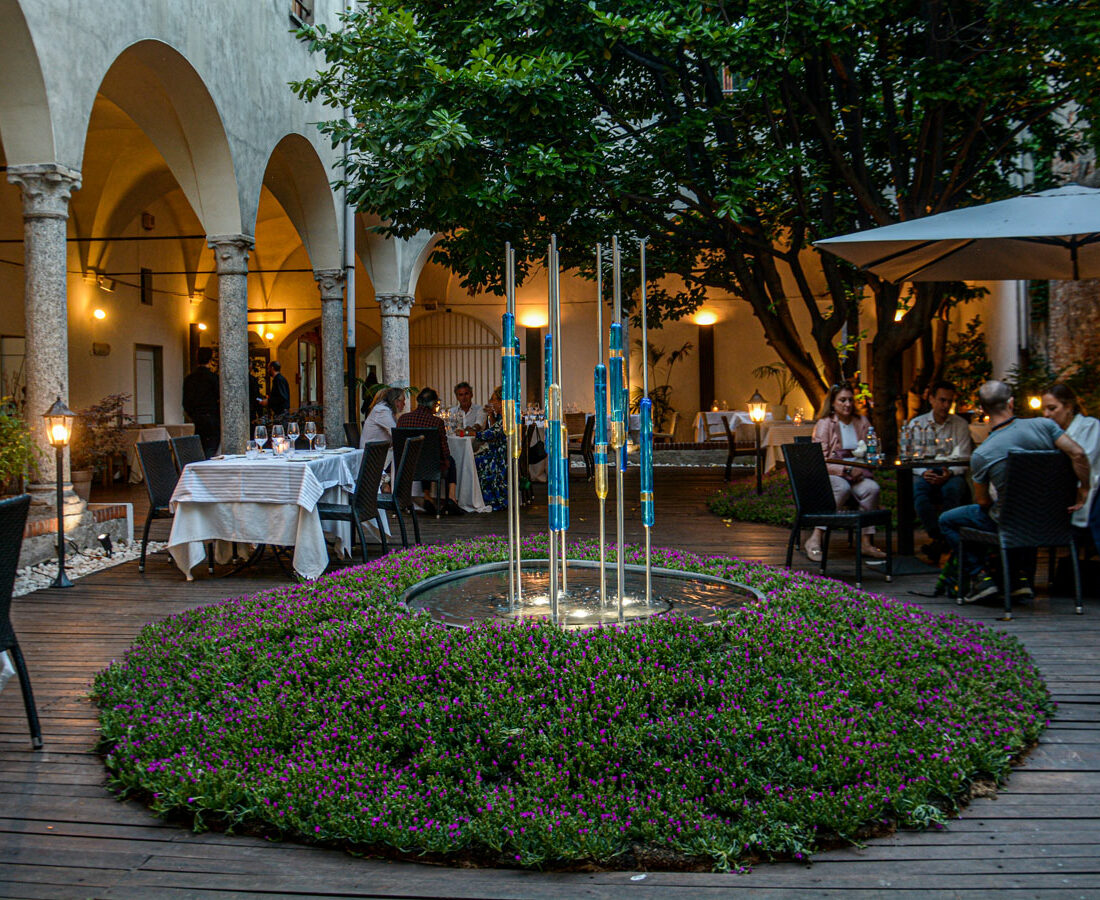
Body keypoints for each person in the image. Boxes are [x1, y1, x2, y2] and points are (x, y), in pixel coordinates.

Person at [939, 380, 1090, 603]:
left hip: (1010, 522)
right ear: (1011, 403)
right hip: (1054, 518)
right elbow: (1077, 454)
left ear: (982, 410)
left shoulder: (983, 454)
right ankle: (1017, 579)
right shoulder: (1045, 426)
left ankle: (982, 578)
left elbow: (982, 502)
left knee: (947, 520)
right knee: (1016, 511)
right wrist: (1084, 489)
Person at [803, 382, 886, 561]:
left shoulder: (862, 422)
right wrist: (847, 469)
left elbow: (870, 452)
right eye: (842, 400)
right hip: (833, 474)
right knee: (842, 488)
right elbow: (820, 459)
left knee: (872, 488)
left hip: (858, 473)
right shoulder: (825, 424)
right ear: (832, 403)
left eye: (850, 400)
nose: (847, 404)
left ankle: (865, 542)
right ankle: (816, 538)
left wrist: (861, 468)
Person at [906, 380, 973, 560]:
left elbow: (965, 456)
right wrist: (922, 472)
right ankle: (940, 537)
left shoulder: (960, 425)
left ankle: (941, 540)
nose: (946, 405)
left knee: (953, 489)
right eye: (942, 400)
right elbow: (910, 455)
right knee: (919, 491)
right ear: (932, 399)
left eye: (949, 401)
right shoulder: (916, 424)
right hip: (924, 470)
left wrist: (949, 473)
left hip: (951, 470)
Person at [396, 387, 464, 516]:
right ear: (433, 404)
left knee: (421, 457)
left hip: (406, 466)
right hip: (429, 466)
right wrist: (446, 460)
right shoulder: (436, 422)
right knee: (449, 460)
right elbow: (444, 449)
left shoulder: (403, 419)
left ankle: (427, 496)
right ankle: (451, 498)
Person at [1042, 383, 1100, 532]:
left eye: (1052, 408)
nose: (1046, 415)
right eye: (1044, 409)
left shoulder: (1091, 427)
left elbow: (1088, 463)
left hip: (1090, 498)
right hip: (1060, 502)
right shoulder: (1050, 434)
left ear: (1068, 407)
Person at [473, 387, 508, 510]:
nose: (491, 403)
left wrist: (469, 433)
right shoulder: (501, 417)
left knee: (475, 461)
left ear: (501, 402)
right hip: (498, 452)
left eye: (493, 400)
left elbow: (490, 434)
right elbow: (494, 429)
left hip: (502, 457)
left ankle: (488, 498)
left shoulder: (507, 418)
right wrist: (491, 415)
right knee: (475, 458)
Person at [181, 347, 220, 458]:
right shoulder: (213, 378)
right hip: (212, 418)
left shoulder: (189, 378)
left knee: (200, 447)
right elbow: (219, 397)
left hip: (198, 418)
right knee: (211, 448)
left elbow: (186, 402)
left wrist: (194, 415)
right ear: (210, 359)